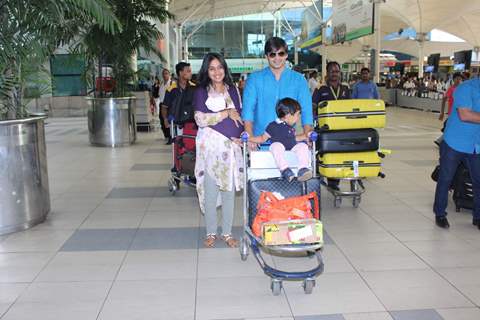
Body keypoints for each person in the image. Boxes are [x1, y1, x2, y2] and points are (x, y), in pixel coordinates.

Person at [193, 52, 244, 248]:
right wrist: (225, 114)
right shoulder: (201, 91)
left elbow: (238, 115)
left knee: (229, 192)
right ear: (207, 70)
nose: (217, 72)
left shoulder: (233, 90)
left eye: (220, 67)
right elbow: (200, 119)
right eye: (212, 68)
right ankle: (211, 232)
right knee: (211, 191)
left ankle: (228, 233)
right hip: (210, 150)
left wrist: (240, 136)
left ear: (225, 69)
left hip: (231, 151)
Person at [242, 37, 313, 145]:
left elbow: (306, 110)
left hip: (292, 144)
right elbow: (248, 111)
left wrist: (308, 134)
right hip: (261, 144)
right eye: (272, 54)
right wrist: (249, 137)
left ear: (286, 55)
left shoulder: (299, 80)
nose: (277, 58)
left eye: (281, 53)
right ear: (266, 56)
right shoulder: (254, 79)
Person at [433, 77, 480, 230]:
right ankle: (440, 214)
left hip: (476, 145)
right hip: (455, 142)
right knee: (446, 179)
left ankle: (478, 217)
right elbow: (465, 115)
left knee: (478, 181)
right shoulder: (465, 88)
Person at [239, 98, 312, 182]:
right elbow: (262, 138)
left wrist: (306, 136)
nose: (299, 117)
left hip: (291, 149)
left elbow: (294, 139)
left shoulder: (291, 128)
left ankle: (302, 169)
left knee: (302, 146)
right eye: (297, 114)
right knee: (276, 146)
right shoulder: (272, 126)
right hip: (279, 149)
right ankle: (285, 170)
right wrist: (249, 138)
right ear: (288, 116)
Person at [312, 61, 350, 190]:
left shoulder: (345, 89)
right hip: (325, 129)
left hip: (342, 129)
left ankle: (334, 182)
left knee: (339, 153)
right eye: (332, 71)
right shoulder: (320, 89)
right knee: (326, 153)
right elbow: (313, 106)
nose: (335, 74)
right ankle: (321, 174)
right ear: (327, 74)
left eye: (337, 71)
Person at [162, 62, 193, 145]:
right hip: (176, 122)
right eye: (188, 71)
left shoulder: (194, 87)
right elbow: (164, 106)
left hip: (191, 123)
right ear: (181, 73)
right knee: (178, 146)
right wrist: (165, 119)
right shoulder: (171, 89)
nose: (191, 73)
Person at [158, 69, 173, 141]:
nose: (165, 75)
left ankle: (170, 136)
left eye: (166, 73)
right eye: (163, 74)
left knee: (167, 120)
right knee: (161, 119)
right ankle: (166, 135)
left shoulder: (171, 83)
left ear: (169, 74)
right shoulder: (161, 83)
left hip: (168, 105)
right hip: (161, 104)